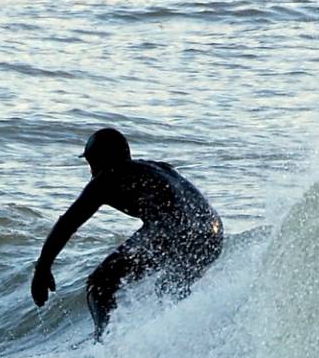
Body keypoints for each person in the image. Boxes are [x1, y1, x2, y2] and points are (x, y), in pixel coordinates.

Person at [30, 127, 224, 338]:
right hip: (211, 234)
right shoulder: (157, 168)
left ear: (103, 161)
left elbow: (67, 223)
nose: (91, 172)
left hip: (175, 231)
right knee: (169, 291)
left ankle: (105, 345)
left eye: (92, 164)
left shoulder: (108, 178)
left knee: (100, 284)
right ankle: (187, 341)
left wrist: (42, 268)